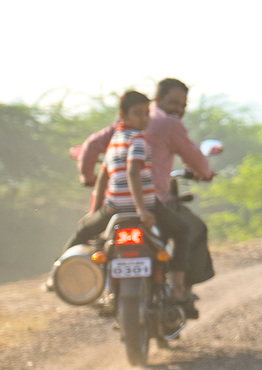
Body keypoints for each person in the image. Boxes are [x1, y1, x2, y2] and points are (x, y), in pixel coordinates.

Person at [77, 78, 218, 295]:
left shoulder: (120, 129)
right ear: (158, 99)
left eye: (183, 105)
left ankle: (72, 277)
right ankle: (182, 286)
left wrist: (88, 178)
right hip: (155, 202)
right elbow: (194, 157)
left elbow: (90, 148)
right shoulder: (165, 125)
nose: (179, 109)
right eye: (174, 103)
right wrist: (206, 173)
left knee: (88, 233)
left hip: (115, 205)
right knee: (192, 229)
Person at [64, 90, 192, 302]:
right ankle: (178, 285)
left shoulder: (114, 142)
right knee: (183, 230)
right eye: (138, 113)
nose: (144, 118)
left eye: (146, 113)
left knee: (84, 231)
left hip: (114, 208)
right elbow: (133, 171)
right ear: (123, 116)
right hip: (148, 206)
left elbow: (103, 176)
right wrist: (142, 211)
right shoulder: (139, 140)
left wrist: (95, 212)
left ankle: (60, 273)